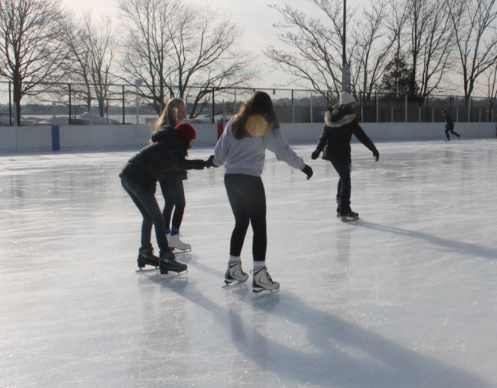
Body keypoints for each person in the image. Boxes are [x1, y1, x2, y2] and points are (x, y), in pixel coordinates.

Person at [210, 91, 313, 293]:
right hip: (250, 180)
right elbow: (283, 152)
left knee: (241, 222)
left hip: (230, 179)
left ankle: (233, 268)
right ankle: (259, 275)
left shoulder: (234, 122)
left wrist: (211, 162)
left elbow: (219, 154)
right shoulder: (264, 123)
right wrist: (303, 166)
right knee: (259, 226)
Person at [120, 122, 206, 274]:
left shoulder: (167, 140)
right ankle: (166, 257)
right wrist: (204, 163)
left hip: (128, 175)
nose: (191, 144)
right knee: (158, 219)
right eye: (191, 140)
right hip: (137, 179)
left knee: (148, 217)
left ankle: (145, 252)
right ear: (186, 138)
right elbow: (180, 163)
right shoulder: (176, 143)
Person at [311, 92, 379, 221]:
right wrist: (373, 149)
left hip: (330, 154)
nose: (354, 106)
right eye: (353, 103)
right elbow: (361, 136)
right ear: (348, 104)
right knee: (346, 181)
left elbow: (324, 135)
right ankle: (344, 210)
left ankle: (340, 207)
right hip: (342, 154)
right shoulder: (349, 118)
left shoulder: (331, 117)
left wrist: (318, 149)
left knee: (343, 179)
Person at [152, 97, 193, 252]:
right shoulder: (173, 130)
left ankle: (167, 236)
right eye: (181, 111)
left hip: (163, 171)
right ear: (174, 112)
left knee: (170, 203)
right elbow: (175, 153)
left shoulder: (163, 128)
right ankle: (173, 237)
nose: (183, 114)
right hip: (171, 170)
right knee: (180, 203)